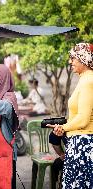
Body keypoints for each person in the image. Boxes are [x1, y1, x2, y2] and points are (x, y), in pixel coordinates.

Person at [48, 43, 93, 188]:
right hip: (78, 142)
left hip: (83, 144)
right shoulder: (84, 79)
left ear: (83, 58)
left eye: (73, 58)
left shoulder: (88, 81)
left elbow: (83, 119)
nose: (70, 62)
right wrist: (63, 127)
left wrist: (63, 127)